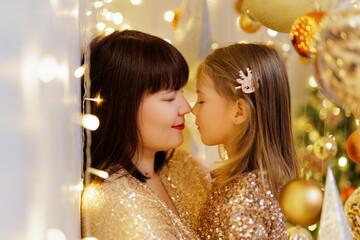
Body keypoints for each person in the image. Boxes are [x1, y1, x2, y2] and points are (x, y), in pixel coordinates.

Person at [81, 30, 210, 240]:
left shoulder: (185, 166)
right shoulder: (119, 205)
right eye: (169, 98)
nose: (186, 108)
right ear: (124, 107)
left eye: (182, 93)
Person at [192, 43, 301, 239]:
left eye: (201, 100)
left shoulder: (242, 202)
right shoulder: (257, 185)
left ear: (239, 111)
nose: (193, 110)